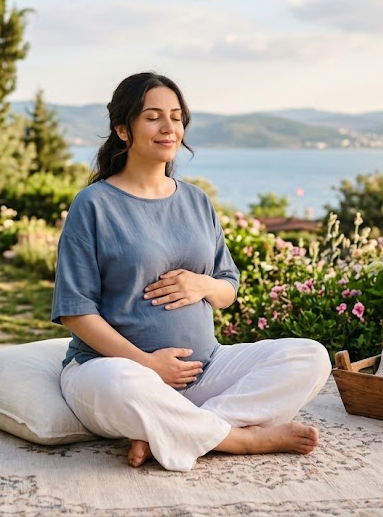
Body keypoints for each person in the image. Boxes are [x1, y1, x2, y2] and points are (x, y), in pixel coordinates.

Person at [51, 72, 331, 472]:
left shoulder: (197, 200)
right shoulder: (94, 204)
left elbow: (228, 288)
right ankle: (239, 439)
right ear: (122, 130)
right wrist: (146, 364)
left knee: (310, 356)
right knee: (120, 384)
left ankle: (174, 429)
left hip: (205, 369)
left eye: (177, 116)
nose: (169, 128)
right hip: (113, 372)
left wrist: (203, 284)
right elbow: (75, 311)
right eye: (153, 117)